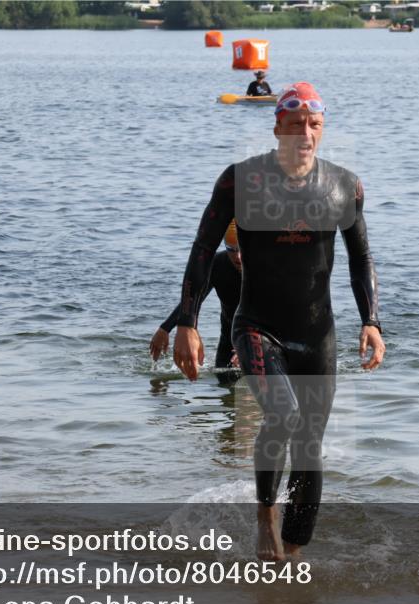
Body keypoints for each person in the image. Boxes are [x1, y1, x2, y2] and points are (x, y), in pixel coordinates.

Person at [173, 82, 385, 561]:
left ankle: (292, 554)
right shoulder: (241, 181)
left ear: (322, 129)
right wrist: (187, 322)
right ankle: (265, 516)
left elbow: (360, 257)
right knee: (283, 416)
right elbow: (204, 248)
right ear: (277, 129)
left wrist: (371, 320)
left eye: (314, 125)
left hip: (317, 334)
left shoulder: (343, 185)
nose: (304, 135)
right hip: (257, 326)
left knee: (309, 445)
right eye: (295, 126)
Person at [151, 220, 243, 382]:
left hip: (264, 340)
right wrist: (165, 329)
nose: (237, 256)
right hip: (228, 341)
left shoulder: (266, 268)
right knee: (226, 390)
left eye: (242, 249)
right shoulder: (218, 264)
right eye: (231, 250)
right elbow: (193, 300)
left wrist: (249, 344)